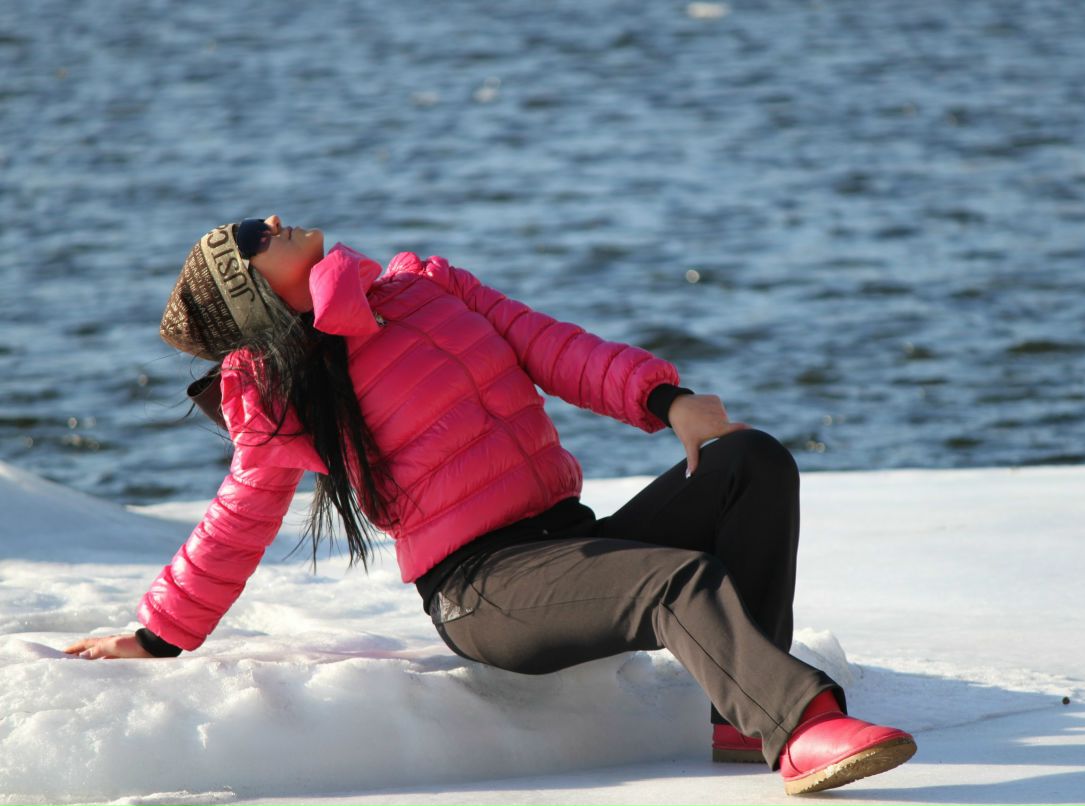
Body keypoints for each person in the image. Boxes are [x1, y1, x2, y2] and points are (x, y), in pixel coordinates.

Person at [66, 216, 916, 795]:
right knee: (675, 583)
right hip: (484, 590)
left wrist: (667, 401)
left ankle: (742, 710)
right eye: (253, 239)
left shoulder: (419, 288)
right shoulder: (287, 392)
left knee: (751, 461)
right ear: (258, 291)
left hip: (564, 539)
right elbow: (238, 517)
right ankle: (800, 726)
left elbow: (555, 347)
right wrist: (157, 634)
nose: (272, 220)